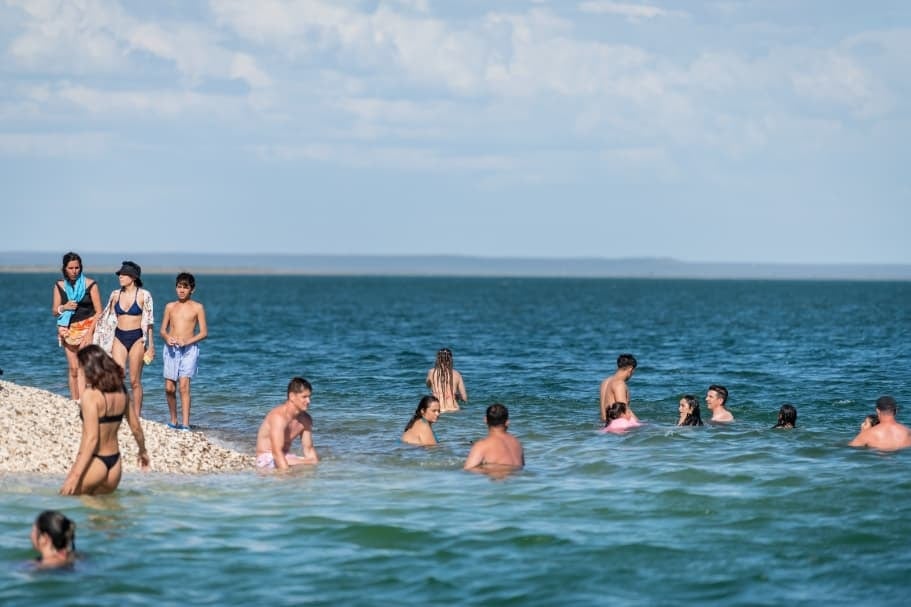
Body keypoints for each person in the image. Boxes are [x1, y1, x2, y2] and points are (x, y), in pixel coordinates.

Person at [61, 345, 149, 495]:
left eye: (82, 368)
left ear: (89, 368)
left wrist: (74, 475)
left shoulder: (90, 396)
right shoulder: (121, 390)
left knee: (68, 501)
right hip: (115, 466)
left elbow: (92, 439)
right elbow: (136, 428)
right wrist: (142, 451)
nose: (81, 372)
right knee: (107, 514)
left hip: (96, 462)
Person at [160, 272, 208, 431]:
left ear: (192, 290)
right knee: (169, 388)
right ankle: (174, 420)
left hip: (189, 349)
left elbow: (203, 333)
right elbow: (162, 330)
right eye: (179, 287)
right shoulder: (169, 306)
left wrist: (187, 341)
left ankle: (185, 424)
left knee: (184, 386)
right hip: (171, 349)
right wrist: (167, 338)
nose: (181, 290)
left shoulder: (198, 307)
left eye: (185, 287)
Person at [106, 261, 154, 419]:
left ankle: (137, 415)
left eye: (123, 274)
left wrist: (151, 346)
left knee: (135, 381)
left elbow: (149, 322)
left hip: (137, 338)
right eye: (119, 274)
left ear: (133, 277)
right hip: (119, 337)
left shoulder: (144, 295)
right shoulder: (115, 294)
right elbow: (107, 319)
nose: (120, 276)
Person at [51, 252, 102, 401]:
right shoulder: (59, 285)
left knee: (82, 368)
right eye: (71, 268)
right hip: (67, 329)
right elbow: (55, 311)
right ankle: (74, 401)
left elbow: (99, 311)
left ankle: (83, 401)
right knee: (73, 369)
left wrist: (90, 333)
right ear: (65, 269)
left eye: (77, 268)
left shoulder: (90, 284)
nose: (74, 271)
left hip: (88, 327)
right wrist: (64, 307)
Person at [255, 377, 320, 470]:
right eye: (304, 397)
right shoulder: (278, 417)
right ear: (292, 396)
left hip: (286, 456)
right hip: (267, 458)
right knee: (298, 467)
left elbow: (309, 450)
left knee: (313, 462)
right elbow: (276, 453)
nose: (309, 401)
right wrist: (286, 475)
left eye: (309, 397)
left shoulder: (306, 419)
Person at [463, 403, 524, 472]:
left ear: (485, 420)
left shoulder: (482, 445)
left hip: (500, 480)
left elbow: (467, 471)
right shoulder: (517, 443)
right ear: (507, 422)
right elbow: (521, 467)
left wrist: (486, 469)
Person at [425, 348, 468, 412]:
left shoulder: (431, 372)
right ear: (450, 359)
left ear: (438, 359)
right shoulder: (457, 374)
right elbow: (464, 398)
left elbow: (428, 385)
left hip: (439, 409)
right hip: (454, 408)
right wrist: (456, 396)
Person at [600, 353, 639, 423]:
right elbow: (624, 411)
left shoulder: (605, 381)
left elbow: (604, 414)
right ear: (630, 369)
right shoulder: (619, 384)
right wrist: (640, 424)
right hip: (617, 427)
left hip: (605, 424)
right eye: (634, 371)